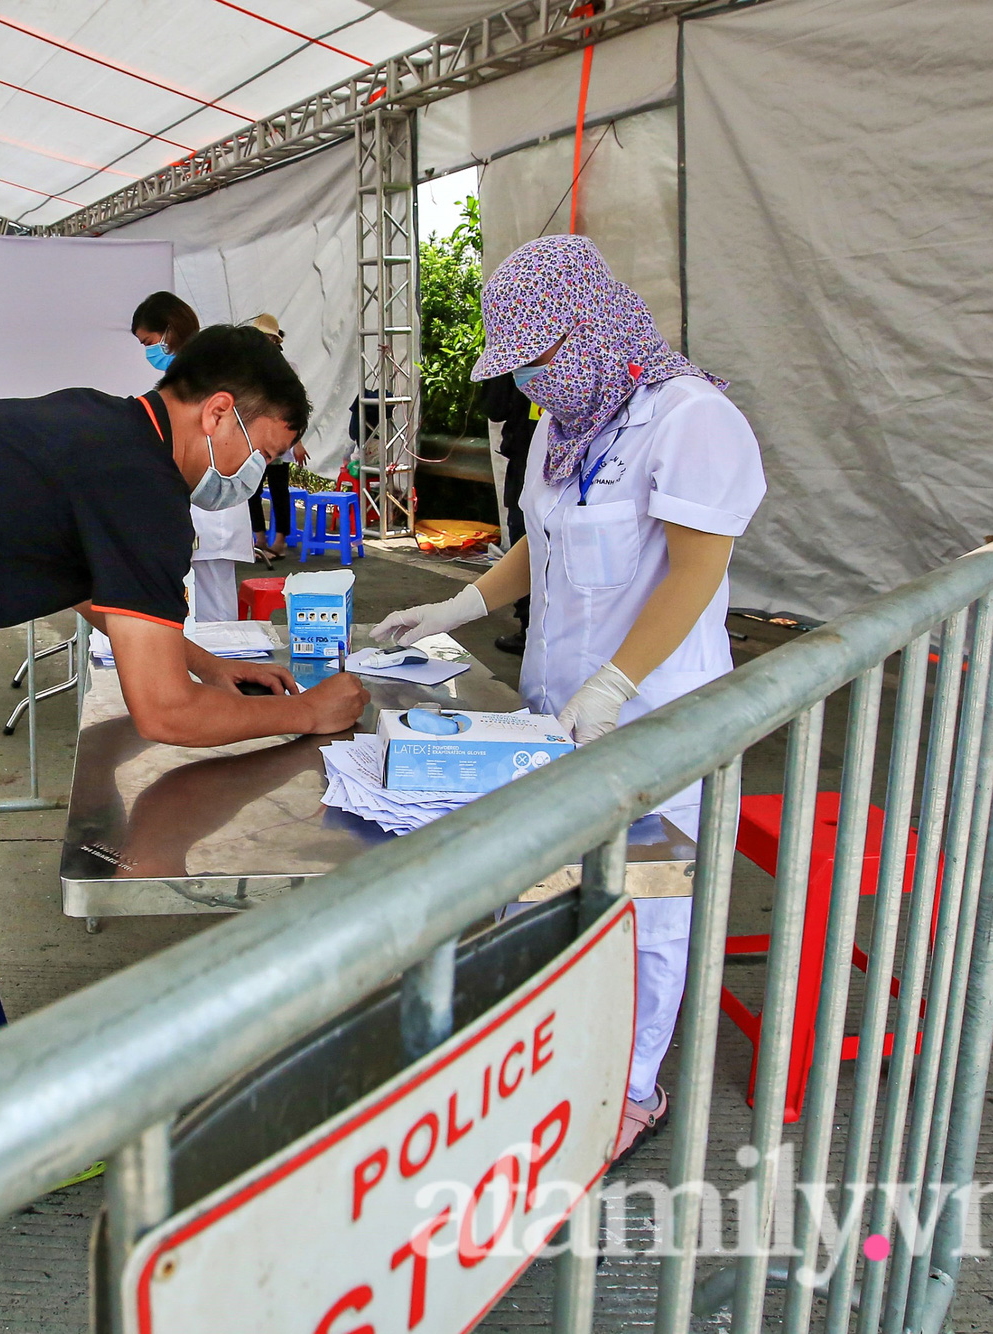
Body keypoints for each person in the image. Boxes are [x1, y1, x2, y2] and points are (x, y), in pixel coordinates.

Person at [0, 325, 369, 1091]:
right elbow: (166, 717)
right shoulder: (146, 488)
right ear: (219, 414)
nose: (256, 474)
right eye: (266, 453)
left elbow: (76, 569)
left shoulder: (101, 423)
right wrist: (307, 714)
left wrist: (204, 659)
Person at [374, 235, 766, 1162]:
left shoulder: (691, 420)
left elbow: (697, 572)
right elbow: (543, 546)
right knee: (548, 889)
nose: (532, 384)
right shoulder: (571, 419)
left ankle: (629, 1089)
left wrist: (619, 684)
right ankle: (543, 1058)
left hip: (656, 720)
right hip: (557, 711)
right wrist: (460, 602)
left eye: (539, 359)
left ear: (588, 327)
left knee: (644, 902)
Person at [133, 292, 251, 621]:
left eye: (149, 341)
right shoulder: (187, 376)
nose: (148, 351)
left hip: (212, 504)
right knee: (193, 607)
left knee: (215, 611)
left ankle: (222, 669)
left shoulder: (209, 375)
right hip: (194, 507)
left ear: (170, 331)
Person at [479, 371, 536, 653]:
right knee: (526, 545)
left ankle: (530, 630)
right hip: (526, 461)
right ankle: (528, 629)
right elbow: (495, 407)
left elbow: (494, 407)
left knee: (530, 541)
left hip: (535, 464)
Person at [245, 313, 308, 558]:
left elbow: (296, 406)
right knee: (251, 489)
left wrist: (297, 440)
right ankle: (259, 538)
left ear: (274, 340)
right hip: (254, 437)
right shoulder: (250, 367)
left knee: (280, 489)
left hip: (280, 436)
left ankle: (279, 541)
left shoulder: (287, 368)